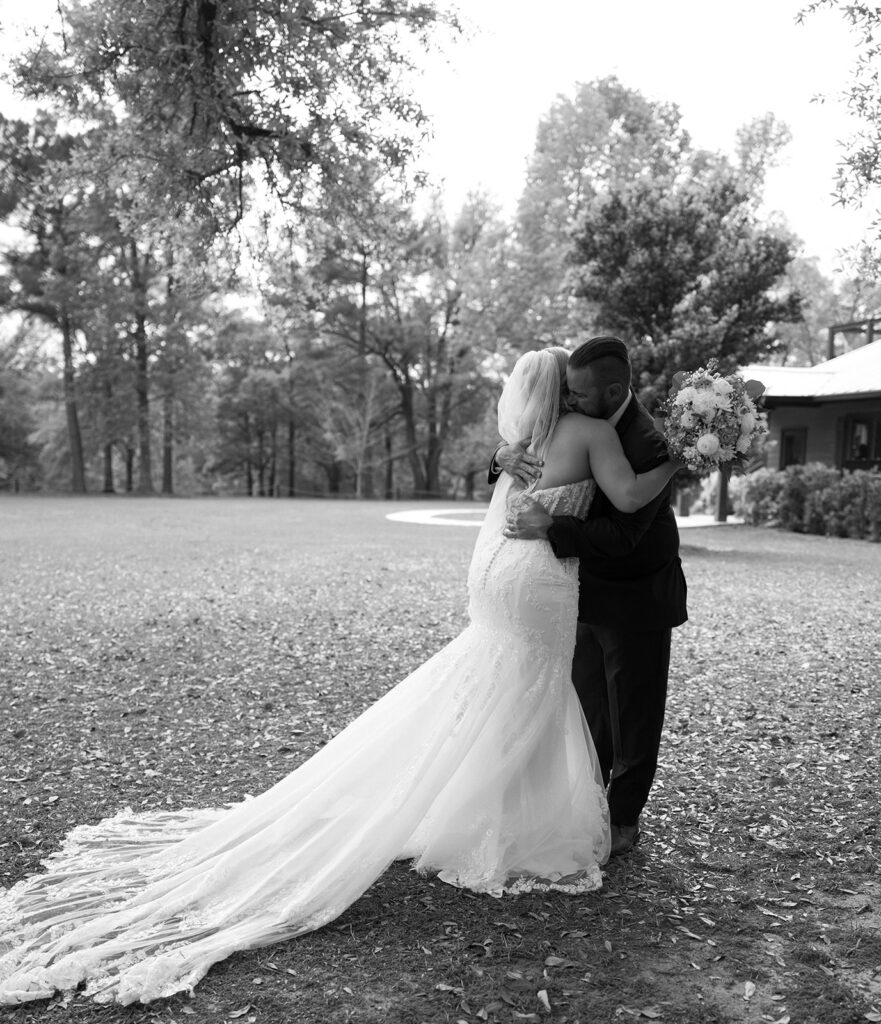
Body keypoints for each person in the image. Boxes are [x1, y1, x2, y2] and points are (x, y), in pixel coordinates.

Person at [0, 347, 678, 1007]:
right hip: (540, 581)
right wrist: (685, 457)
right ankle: (508, 824)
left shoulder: (521, 441)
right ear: (568, 387)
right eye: (576, 386)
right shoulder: (588, 431)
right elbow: (624, 493)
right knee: (530, 686)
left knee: (498, 682)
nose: (584, 395)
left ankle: (475, 805)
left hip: (497, 576)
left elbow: (524, 482)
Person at [500, 336, 688, 858]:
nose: (571, 402)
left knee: (633, 714)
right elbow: (525, 450)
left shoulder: (650, 442)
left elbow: (624, 534)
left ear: (615, 389)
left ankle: (624, 818)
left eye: (579, 395)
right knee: (588, 712)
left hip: (636, 597)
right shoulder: (583, 420)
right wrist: (501, 456)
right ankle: (587, 807)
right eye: (567, 392)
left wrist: (550, 526)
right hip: (578, 591)